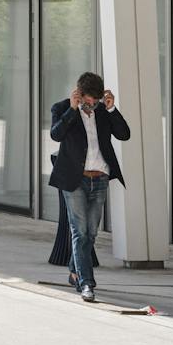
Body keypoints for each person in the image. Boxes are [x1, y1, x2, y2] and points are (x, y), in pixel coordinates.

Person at [49, 71, 130, 302]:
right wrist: (72, 110)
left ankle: (75, 271)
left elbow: (124, 134)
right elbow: (56, 135)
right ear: (79, 94)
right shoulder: (62, 108)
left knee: (91, 234)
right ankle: (87, 284)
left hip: (100, 178)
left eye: (95, 101)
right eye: (87, 101)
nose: (91, 105)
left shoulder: (104, 111)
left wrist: (112, 109)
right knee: (80, 231)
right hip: (74, 180)